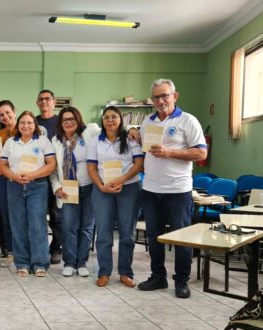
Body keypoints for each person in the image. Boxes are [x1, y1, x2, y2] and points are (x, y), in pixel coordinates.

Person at [137, 78, 207, 298]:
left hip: (178, 190)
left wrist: (170, 153)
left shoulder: (188, 121)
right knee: (154, 236)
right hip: (150, 189)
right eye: (156, 97)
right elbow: (142, 147)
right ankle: (158, 277)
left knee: (181, 238)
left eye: (165, 95)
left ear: (174, 96)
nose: (161, 100)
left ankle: (181, 281)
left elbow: (201, 153)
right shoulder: (147, 123)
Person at [87, 106, 144, 288]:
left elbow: (139, 164)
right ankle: (104, 272)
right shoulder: (96, 141)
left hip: (129, 188)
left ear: (120, 119)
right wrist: (101, 186)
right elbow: (91, 168)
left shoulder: (130, 139)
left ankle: (125, 272)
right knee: (103, 233)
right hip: (103, 190)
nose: (110, 120)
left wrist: (121, 179)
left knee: (127, 233)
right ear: (102, 121)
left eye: (114, 117)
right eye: (106, 118)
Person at [0, 111, 57, 277]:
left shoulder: (43, 141)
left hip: (37, 186)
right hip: (14, 186)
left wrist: (32, 175)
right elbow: (2, 165)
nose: (26, 126)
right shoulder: (11, 142)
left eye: (30, 123)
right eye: (22, 123)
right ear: (18, 125)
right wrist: (13, 176)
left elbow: (51, 164)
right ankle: (22, 263)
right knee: (18, 224)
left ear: (35, 125)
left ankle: (40, 264)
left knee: (37, 225)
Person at [49, 106, 99, 278]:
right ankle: (69, 262)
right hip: (68, 190)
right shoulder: (55, 141)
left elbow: (112, 129)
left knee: (86, 227)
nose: (68, 122)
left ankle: (81, 262)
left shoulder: (90, 133)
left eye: (72, 119)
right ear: (60, 123)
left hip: (90, 188)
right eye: (65, 120)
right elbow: (53, 170)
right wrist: (57, 187)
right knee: (69, 227)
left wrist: (131, 132)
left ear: (78, 120)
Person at [35, 89, 63, 264]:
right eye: (41, 99)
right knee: (37, 215)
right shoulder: (33, 122)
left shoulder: (62, 121)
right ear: (37, 103)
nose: (44, 102)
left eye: (48, 99)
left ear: (54, 101)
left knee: (57, 215)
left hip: (58, 175)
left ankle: (56, 249)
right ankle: (39, 248)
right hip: (37, 175)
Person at [0, 100, 18, 267]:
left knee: (20, 215)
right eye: (1, 115)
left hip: (18, 177)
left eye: (8, 113)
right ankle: (11, 252)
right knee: (6, 215)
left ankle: (24, 250)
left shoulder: (23, 130)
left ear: (14, 111)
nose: (5, 117)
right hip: (1, 178)